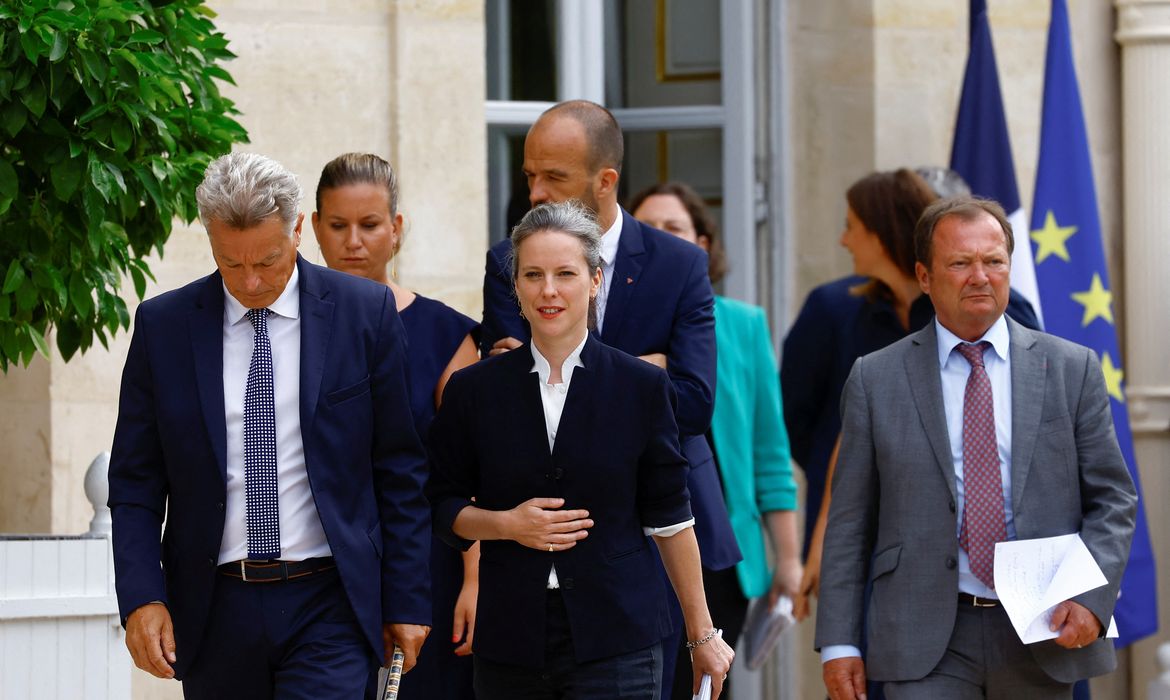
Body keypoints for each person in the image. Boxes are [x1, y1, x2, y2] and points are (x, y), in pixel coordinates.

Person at [107, 152, 431, 698]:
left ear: (298, 229)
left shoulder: (364, 314)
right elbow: (136, 482)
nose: (252, 281)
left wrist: (407, 597)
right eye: (231, 264)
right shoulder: (164, 328)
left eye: (268, 260)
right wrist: (142, 596)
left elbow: (399, 467)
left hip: (329, 600)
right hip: (214, 608)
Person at [815, 196, 1137, 699]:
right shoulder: (875, 378)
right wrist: (839, 643)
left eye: (993, 261)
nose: (980, 276)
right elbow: (850, 521)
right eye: (960, 263)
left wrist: (1092, 597)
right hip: (923, 636)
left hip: (1042, 629)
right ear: (924, 276)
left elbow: (1114, 498)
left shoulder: (1071, 369)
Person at [479, 100, 740, 696]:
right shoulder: (507, 262)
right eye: (529, 176)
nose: (536, 192)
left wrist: (579, 376)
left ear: (605, 181)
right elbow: (513, 404)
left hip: (668, 537)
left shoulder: (679, 265)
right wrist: (641, 373)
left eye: (555, 178)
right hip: (546, 542)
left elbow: (696, 405)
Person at [429, 200, 735, 699]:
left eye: (565, 274)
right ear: (517, 288)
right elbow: (443, 506)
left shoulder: (642, 387)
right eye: (533, 275)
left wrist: (702, 633)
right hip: (510, 640)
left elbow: (671, 518)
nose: (549, 290)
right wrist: (506, 525)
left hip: (619, 640)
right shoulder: (473, 391)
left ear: (594, 281)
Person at [782, 169, 1041, 617]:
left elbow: (1034, 408)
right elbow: (801, 419)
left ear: (881, 234)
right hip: (867, 528)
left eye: (851, 226)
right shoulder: (835, 309)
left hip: (988, 549)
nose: (844, 240)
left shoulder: (996, 306)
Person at [311, 152, 479, 699]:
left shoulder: (446, 334)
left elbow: (472, 472)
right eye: (338, 226)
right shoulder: (282, 333)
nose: (353, 241)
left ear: (397, 229)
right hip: (319, 567)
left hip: (427, 565)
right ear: (313, 228)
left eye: (370, 225)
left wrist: (476, 579)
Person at [628, 182, 804, 698]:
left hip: (722, 551)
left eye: (675, 229)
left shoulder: (743, 324)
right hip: (634, 547)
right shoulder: (611, 316)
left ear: (701, 244)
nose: (662, 240)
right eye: (648, 230)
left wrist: (789, 559)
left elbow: (770, 452)